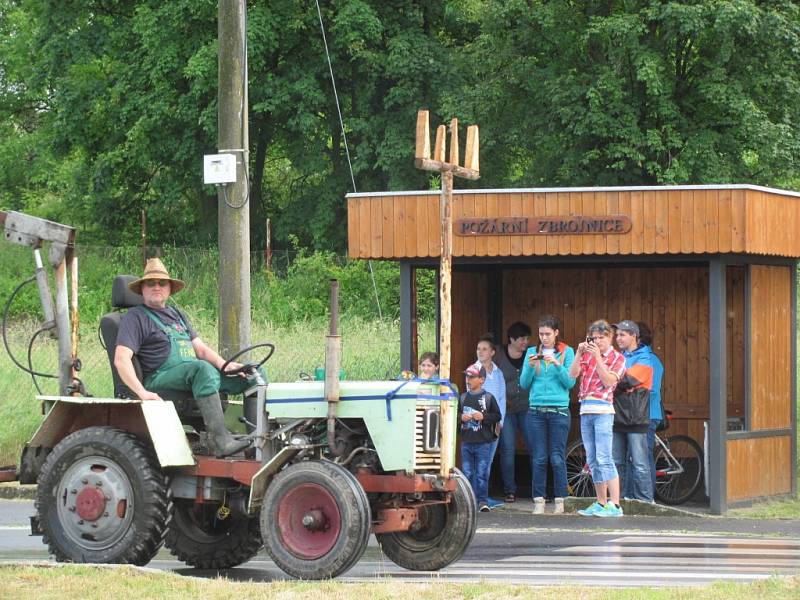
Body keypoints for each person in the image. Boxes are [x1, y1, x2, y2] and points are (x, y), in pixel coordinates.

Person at [114, 258, 254, 457]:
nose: (157, 287)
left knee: (253, 373)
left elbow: (201, 350)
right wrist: (142, 392)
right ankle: (220, 441)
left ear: (169, 289)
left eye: (162, 283)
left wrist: (225, 365)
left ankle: (258, 441)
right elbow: (121, 359)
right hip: (159, 378)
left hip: (192, 375)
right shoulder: (135, 318)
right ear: (142, 289)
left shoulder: (177, 315)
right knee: (202, 369)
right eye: (151, 283)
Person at [568, 319, 627, 517]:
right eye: (595, 338)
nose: (598, 341)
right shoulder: (587, 355)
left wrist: (598, 358)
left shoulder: (617, 358)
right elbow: (572, 375)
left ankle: (615, 504)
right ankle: (601, 502)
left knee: (604, 457)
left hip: (603, 410)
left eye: (602, 337)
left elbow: (609, 381)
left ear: (610, 337)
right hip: (586, 409)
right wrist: (578, 354)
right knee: (592, 459)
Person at [520, 315, 576, 514]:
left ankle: (561, 500)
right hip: (536, 411)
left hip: (559, 411)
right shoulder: (531, 352)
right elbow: (524, 384)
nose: (544, 338)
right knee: (539, 457)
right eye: (541, 334)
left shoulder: (567, 352)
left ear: (556, 333)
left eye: (548, 334)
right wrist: (529, 365)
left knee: (557, 457)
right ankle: (539, 501)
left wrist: (557, 365)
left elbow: (570, 383)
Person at [612, 320, 655, 503]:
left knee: (639, 463)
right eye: (616, 335)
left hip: (636, 417)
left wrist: (614, 379)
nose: (617, 338)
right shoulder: (618, 356)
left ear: (634, 336)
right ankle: (617, 500)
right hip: (617, 416)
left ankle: (646, 501)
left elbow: (627, 381)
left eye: (622, 335)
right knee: (616, 462)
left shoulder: (645, 357)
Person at [492, 321, 533, 503]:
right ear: (512, 339)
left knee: (534, 446)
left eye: (527, 338)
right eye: (522, 338)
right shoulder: (499, 354)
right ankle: (509, 490)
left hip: (527, 407)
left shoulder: (531, 354)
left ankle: (538, 489)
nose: (525, 342)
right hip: (506, 410)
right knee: (507, 448)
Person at [458, 364, 501, 513]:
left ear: (481, 379)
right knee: (467, 472)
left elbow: (497, 416)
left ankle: (482, 501)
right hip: (467, 442)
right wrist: (461, 418)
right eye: (467, 376)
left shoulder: (488, 398)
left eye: (472, 377)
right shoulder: (462, 398)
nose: (468, 380)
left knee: (482, 472)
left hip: (483, 442)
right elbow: (454, 417)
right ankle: (469, 501)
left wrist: (484, 416)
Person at [637, 321, 665, 496]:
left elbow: (652, 390)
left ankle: (648, 497)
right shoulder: (630, 357)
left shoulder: (651, 359)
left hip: (647, 414)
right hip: (634, 415)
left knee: (644, 458)